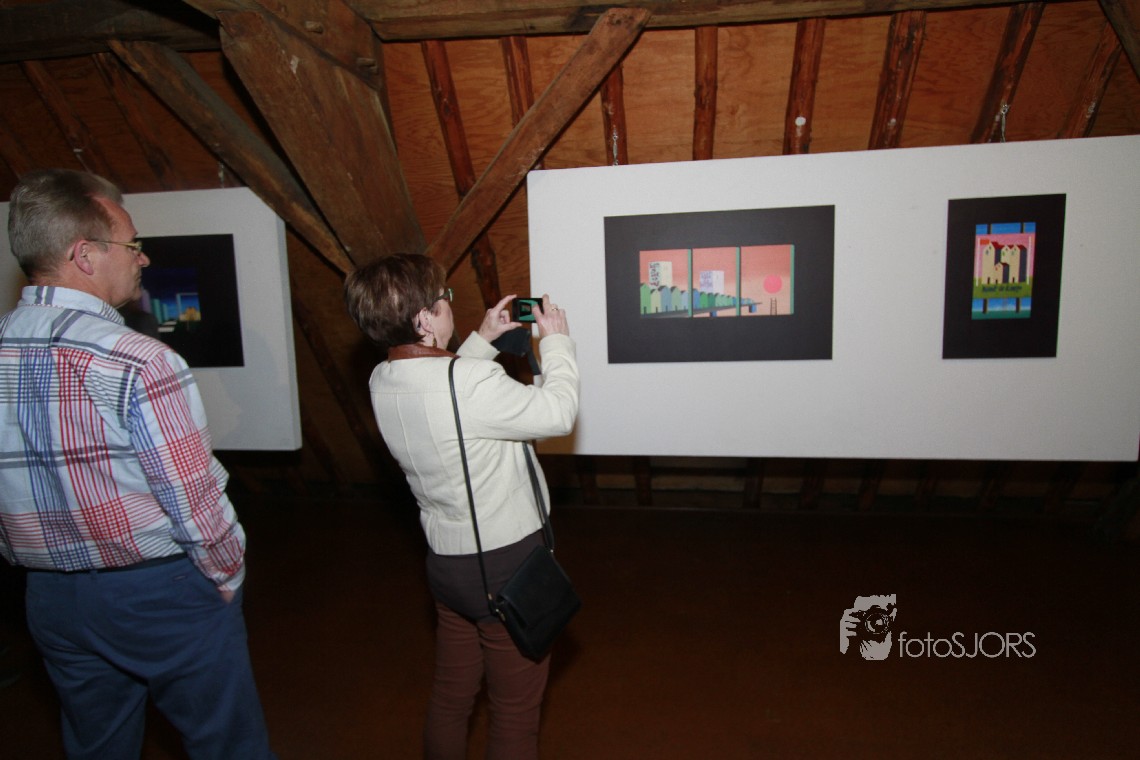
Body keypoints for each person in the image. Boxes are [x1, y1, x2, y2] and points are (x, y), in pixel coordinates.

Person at [0, 169, 275, 759]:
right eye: (131, 245)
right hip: (158, 592)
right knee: (229, 746)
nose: (143, 258)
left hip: (47, 599)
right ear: (85, 255)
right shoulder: (139, 359)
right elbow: (192, 498)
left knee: (98, 748)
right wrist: (226, 576)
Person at [343, 254, 579, 760]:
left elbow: (442, 388)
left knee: (452, 699)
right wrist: (557, 342)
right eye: (443, 298)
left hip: (448, 567)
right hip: (506, 565)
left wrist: (482, 339)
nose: (450, 303)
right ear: (424, 320)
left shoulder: (382, 380)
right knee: (514, 714)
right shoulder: (471, 385)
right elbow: (558, 413)